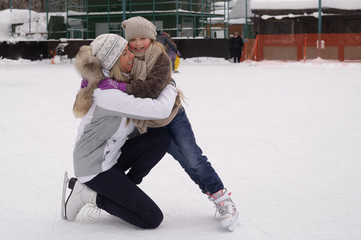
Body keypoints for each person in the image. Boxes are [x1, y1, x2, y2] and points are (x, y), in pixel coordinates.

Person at [99, 16, 239, 231]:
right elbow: (106, 70)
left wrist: (122, 88)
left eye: (142, 38)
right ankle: (115, 195)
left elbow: (153, 88)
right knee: (121, 155)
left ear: (151, 38)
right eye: (133, 39)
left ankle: (222, 199)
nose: (137, 43)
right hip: (145, 123)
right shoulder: (125, 58)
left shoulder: (160, 58)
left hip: (172, 117)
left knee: (192, 158)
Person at [61, 33, 178, 229]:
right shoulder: (106, 94)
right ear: (113, 61)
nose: (132, 55)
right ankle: (89, 195)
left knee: (160, 139)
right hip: (94, 168)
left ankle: (124, 188)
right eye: (125, 53)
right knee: (151, 218)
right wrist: (170, 85)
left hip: (112, 157)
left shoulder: (116, 83)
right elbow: (161, 109)